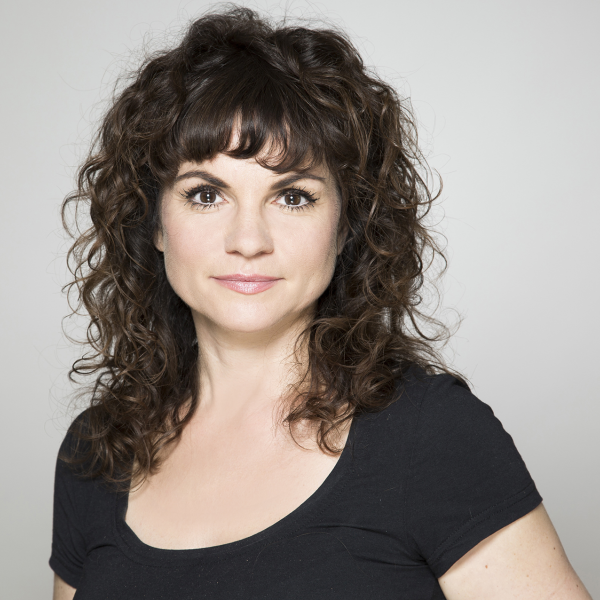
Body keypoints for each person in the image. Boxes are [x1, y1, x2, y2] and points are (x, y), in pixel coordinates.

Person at [50, 6, 592, 600]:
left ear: (344, 225)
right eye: (205, 195)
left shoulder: (433, 436)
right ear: (154, 222)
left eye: (293, 197)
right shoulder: (95, 452)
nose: (248, 240)